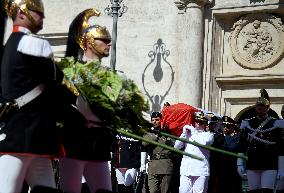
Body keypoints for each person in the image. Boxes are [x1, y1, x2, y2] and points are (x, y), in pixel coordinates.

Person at [0, 0, 70, 192]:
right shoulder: (34, 44)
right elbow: (55, 84)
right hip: (30, 131)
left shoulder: (8, 47)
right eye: (38, 12)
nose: (43, 17)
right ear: (22, 13)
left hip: (18, 129)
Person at [57, 8, 113, 193]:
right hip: (76, 140)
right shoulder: (74, 71)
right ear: (89, 43)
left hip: (98, 142)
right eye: (103, 40)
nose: (108, 44)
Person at [238, 89, 284, 193]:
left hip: (269, 162)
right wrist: (240, 163)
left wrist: (281, 168)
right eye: (258, 105)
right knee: (253, 191)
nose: (259, 107)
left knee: (267, 190)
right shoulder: (248, 123)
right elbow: (243, 144)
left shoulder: (275, 123)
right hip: (253, 162)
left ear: (267, 108)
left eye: (262, 106)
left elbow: (281, 147)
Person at [174, 112, 214, 193]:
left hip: (200, 169)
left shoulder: (209, 135)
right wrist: (183, 134)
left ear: (206, 123)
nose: (198, 123)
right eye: (197, 121)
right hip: (187, 168)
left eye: (201, 122)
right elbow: (176, 147)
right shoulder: (188, 134)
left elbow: (203, 143)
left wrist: (193, 132)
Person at [207, 116, 243, 193]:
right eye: (224, 126)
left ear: (233, 127)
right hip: (219, 169)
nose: (225, 128)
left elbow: (231, 148)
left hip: (232, 169)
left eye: (228, 126)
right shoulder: (216, 137)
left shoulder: (237, 138)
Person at [142, 111, 174, 193]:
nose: (155, 121)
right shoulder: (148, 132)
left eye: (157, 119)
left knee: (165, 191)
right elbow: (144, 143)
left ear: (161, 120)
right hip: (153, 165)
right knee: (153, 191)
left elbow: (174, 145)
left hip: (166, 165)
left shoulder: (168, 132)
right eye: (153, 120)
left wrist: (167, 134)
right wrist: (155, 134)